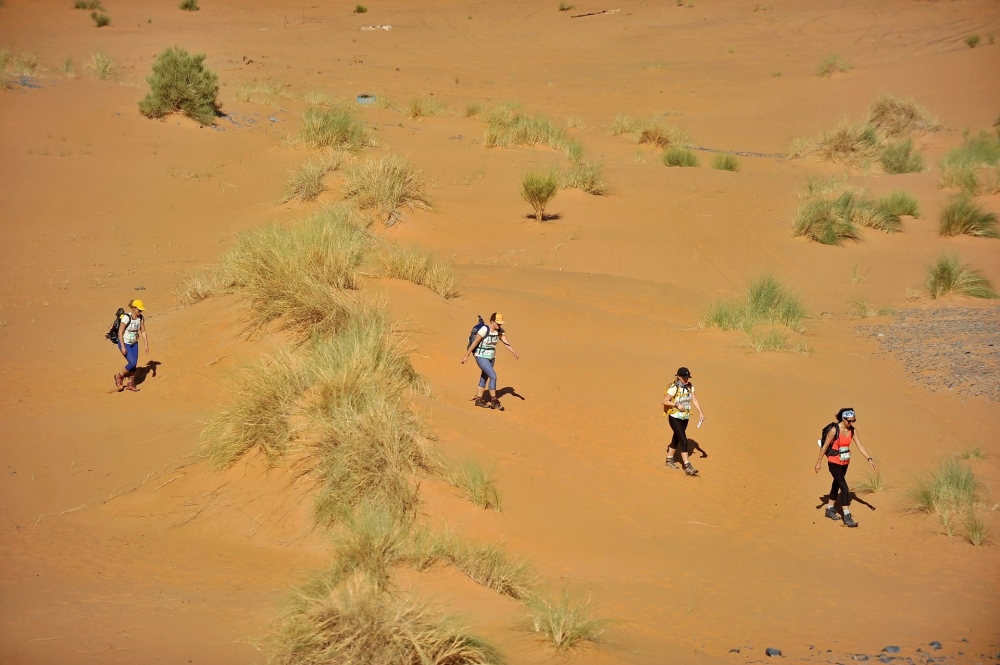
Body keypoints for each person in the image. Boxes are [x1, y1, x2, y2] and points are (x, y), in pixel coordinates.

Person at [814, 408, 876, 528]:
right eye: (849, 421)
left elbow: (860, 445)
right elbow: (825, 446)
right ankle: (847, 517)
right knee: (845, 488)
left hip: (845, 462)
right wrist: (819, 462)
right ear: (843, 419)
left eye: (854, 421)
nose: (851, 423)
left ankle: (829, 509)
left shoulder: (852, 430)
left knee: (836, 484)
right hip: (833, 462)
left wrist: (869, 458)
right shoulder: (834, 430)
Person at [461, 312, 519, 411]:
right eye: (498, 323)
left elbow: (506, 343)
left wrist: (514, 352)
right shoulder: (484, 330)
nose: (499, 325)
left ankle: (479, 400)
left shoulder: (499, 331)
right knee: (493, 376)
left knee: (484, 377)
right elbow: (475, 343)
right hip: (481, 356)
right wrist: (466, 355)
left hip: (491, 357)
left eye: (500, 323)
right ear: (492, 321)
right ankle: (494, 400)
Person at [663, 367, 705, 476]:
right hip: (674, 417)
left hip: (685, 418)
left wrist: (700, 412)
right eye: (684, 377)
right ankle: (687, 466)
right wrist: (676, 404)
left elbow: (694, 400)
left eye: (687, 377)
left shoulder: (690, 386)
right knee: (684, 441)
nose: (686, 379)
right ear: (678, 377)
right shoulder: (673, 388)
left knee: (676, 438)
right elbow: (665, 401)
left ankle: (669, 460)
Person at [114, 299, 149, 393]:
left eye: (141, 310)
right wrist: (122, 346)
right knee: (132, 362)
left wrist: (146, 344)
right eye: (139, 310)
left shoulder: (141, 318)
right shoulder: (126, 318)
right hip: (124, 343)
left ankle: (130, 384)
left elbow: (143, 331)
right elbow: (120, 332)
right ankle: (119, 376)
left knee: (134, 364)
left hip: (134, 343)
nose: (140, 312)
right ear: (133, 308)